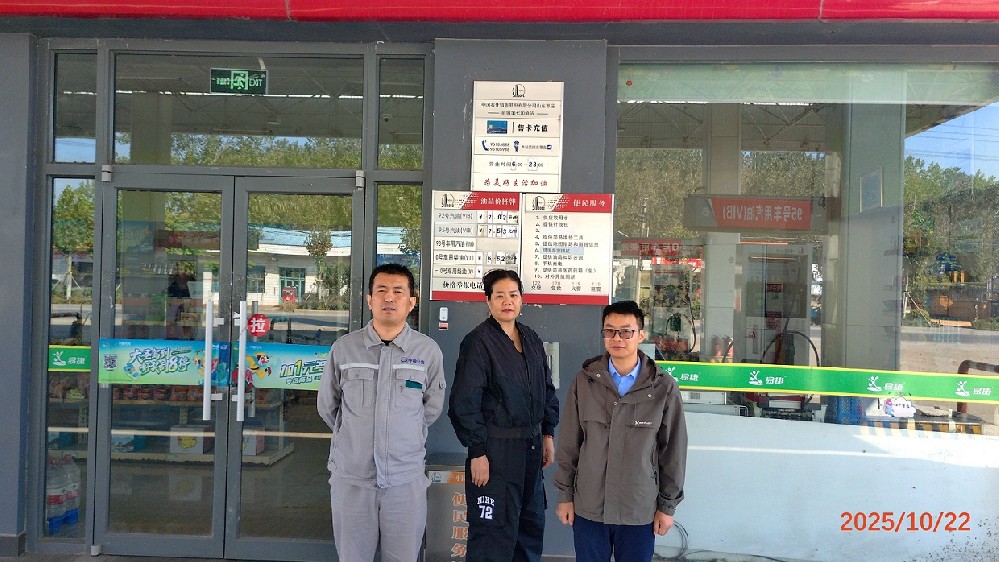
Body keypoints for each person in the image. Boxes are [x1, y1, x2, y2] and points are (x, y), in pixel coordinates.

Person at [317, 263, 446, 562]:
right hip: (352, 479)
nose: (389, 298)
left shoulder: (427, 351)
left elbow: (431, 408)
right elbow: (328, 406)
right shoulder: (344, 349)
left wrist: (403, 434)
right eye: (382, 291)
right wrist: (355, 436)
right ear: (369, 300)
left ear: (411, 302)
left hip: (404, 480)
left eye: (398, 292)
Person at [554, 300, 687, 562]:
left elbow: (673, 452)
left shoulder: (662, 388)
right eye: (610, 331)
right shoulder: (585, 381)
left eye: (626, 331)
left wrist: (667, 506)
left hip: (638, 508)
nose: (617, 338)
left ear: (641, 335)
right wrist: (565, 495)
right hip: (590, 506)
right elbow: (569, 444)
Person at [448, 269, 559, 562]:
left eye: (513, 295)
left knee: (529, 525)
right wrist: (477, 451)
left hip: (531, 447)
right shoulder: (478, 342)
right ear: (488, 301)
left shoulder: (531, 338)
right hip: (495, 450)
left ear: (522, 299)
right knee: (493, 532)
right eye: (499, 295)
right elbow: (464, 401)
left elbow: (546, 388)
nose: (507, 301)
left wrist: (547, 433)